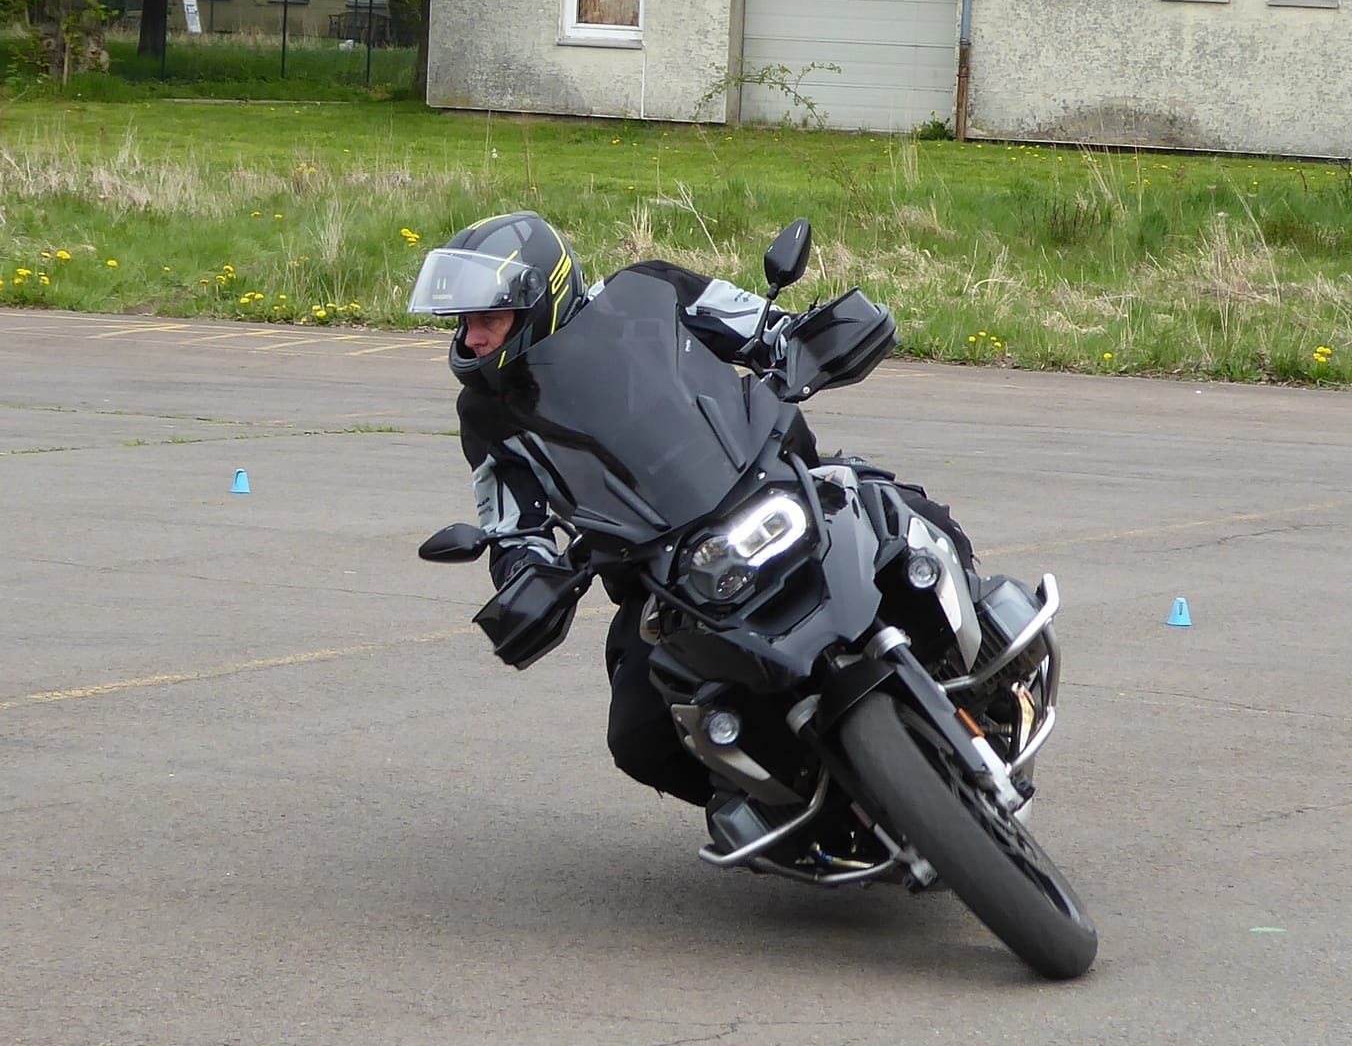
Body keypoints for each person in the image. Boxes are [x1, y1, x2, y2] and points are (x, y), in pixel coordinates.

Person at [410, 211, 973, 812]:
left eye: (487, 320)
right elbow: (513, 522)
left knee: (908, 523)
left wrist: (805, 340)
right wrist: (526, 574)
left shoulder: (647, 292)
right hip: (661, 570)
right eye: (465, 323)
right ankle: (791, 811)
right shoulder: (487, 412)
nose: (472, 339)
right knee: (638, 737)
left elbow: (763, 326)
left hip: (769, 483)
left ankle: (987, 645)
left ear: (538, 302)